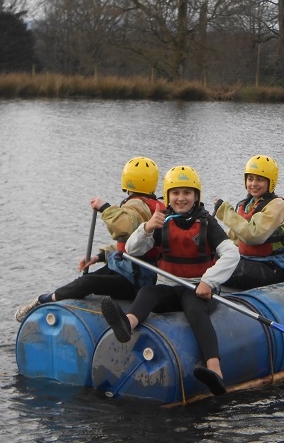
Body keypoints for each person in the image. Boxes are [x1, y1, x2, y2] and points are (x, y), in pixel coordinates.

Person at [101, 165, 239, 396]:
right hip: (170, 287)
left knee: (195, 310)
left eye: (187, 193)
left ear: (196, 196)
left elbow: (231, 253)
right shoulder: (162, 222)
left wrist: (209, 280)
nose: (181, 198)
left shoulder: (207, 223)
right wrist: (145, 228)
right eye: (175, 193)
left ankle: (215, 370)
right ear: (168, 196)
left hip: (198, 290)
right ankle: (127, 325)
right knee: (147, 292)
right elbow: (134, 250)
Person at [14, 156, 165, 322]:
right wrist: (99, 257)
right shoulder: (147, 205)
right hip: (127, 270)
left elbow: (123, 226)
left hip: (134, 279)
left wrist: (105, 208)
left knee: (86, 283)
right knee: (83, 282)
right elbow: (128, 245)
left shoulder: (136, 205)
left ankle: (42, 301)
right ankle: (49, 300)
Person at [212, 155, 284, 290]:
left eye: (260, 180)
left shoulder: (277, 205)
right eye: (250, 179)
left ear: (271, 182)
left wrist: (224, 212)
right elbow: (233, 238)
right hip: (249, 260)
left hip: (272, 265)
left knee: (226, 268)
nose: (254, 184)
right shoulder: (245, 205)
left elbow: (253, 236)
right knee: (213, 259)